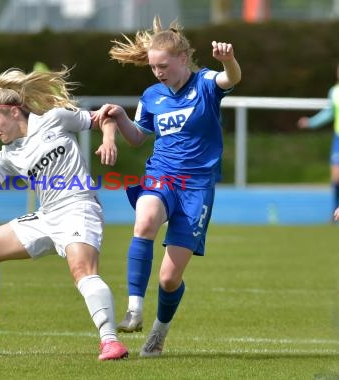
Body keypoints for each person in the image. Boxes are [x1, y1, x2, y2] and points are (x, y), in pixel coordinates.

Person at [0, 67, 129, 360]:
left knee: (82, 271)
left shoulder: (55, 119)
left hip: (79, 207)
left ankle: (110, 341)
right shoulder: (8, 155)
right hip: (47, 216)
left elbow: (106, 117)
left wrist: (109, 139)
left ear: (13, 112)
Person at [99, 16, 241, 357]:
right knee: (145, 220)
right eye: (152, 67)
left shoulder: (206, 82)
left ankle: (158, 333)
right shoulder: (152, 95)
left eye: (163, 65)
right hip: (162, 174)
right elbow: (137, 138)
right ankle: (134, 308)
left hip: (196, 188)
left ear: (182, 59)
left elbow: (231, 78)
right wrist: (120, 118)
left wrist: (228, 59)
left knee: (168, 279)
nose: (158, 72)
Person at [297, 62, 339, 216]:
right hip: (338, 139)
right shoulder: (334, 92)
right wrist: (311, 123)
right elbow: (329, 113)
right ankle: (335, 211)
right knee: (336, 178)